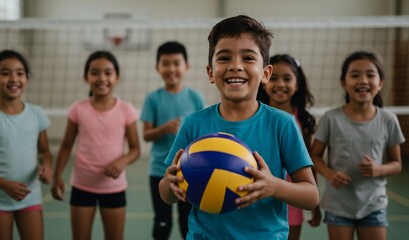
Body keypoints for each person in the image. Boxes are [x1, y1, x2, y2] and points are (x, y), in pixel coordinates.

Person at [158, 15, 319, 239]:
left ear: (265, 74)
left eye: (248, 58)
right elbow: (166, 193)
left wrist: (274, 187)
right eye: (224, 58)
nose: (235, 66)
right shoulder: (194, 123)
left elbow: (311, 196)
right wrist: (170, 184)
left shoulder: (282, 123)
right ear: (210, 72)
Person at [310, 50, 405, 240]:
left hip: (374, 205)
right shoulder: (331, 118)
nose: (363, 80)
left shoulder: (388, 119)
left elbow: (397, 164)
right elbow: (314, 156)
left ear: (380, 83)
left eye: (370, 75)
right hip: (338, 206)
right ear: (344, 83)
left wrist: (378, 169)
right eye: (355, 75)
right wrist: (330, 173)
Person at [51, 50, 141, 240]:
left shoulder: (126, 110)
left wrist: (121, 162)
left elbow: (135, 149)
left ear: (117, 77)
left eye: (108, 72)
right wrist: (57, 175)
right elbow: (66, 145)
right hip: (82, 186)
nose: (102, 78)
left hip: (113, 188)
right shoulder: (78, 109)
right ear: (86, 77)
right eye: (95, 72)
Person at [0, 50, 52, 240]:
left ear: (26, 79)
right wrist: (4, 186)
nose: (14, 78)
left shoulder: (37, 114)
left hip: (29, 197)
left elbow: (45, 151)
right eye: (5, 73)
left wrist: (47, 167)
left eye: (20, 73)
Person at [141, 41, 205, 240]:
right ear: (157, 68)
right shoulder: (153, 99)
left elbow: (203, 133)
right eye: (166, 63)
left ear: (186, 66)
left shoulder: (195, 97)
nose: (171, 68)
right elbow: (146, 134)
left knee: (187, 221)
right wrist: (164, 129)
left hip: (191, 171)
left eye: (176, 63)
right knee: (162, 220)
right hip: (160, 171)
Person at [257, 54, 321, 240]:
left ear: (297, 84)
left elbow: (308, 165)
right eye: (274, 78)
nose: (280, 84)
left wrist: (316, 206)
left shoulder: (303, 121)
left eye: (287, 78)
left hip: (291, 197)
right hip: (259, 196)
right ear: (264, 79)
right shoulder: (253, 114)